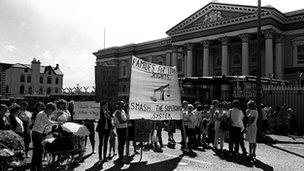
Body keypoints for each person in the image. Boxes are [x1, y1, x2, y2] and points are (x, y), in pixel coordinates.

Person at [31, 102, 58, 171]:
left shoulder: (43, 114)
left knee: (37, 151)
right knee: (39, 151)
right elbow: (48, 122)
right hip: (37, 133)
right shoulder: (42, 114)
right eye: (51, 111)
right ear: (48, 109)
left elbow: (47, 124)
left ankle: (34, 166)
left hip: (38, 133)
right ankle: (39, 167)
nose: (51, 112)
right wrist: (57, 123)